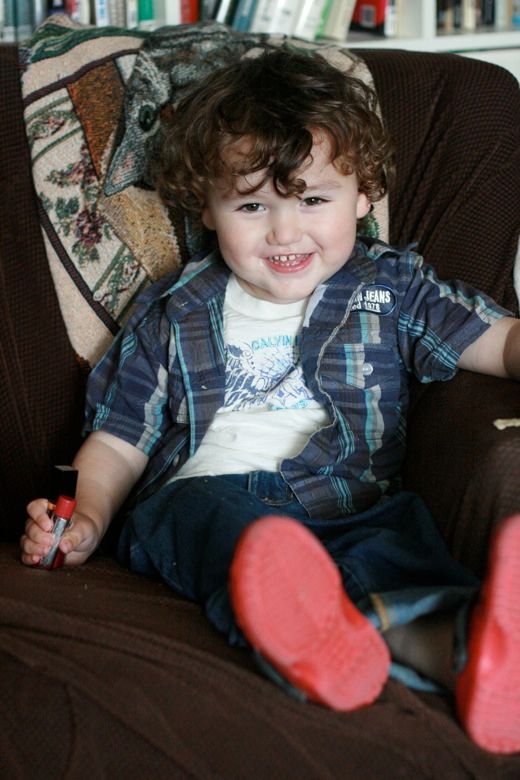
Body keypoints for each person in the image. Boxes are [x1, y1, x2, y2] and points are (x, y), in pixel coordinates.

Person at [20, 48, 520, 753]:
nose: (284, 233)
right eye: (253, 205)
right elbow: (117, 439)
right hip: (207, 498)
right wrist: (88, 522)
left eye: (313, 199)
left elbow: (495, 343)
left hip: (349, 504)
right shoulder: (177, 312)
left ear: (365, 191)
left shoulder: (390, 290)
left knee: (401, 545)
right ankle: (301, 626)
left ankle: (465, 655)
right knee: (230, 528)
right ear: (208, 206)